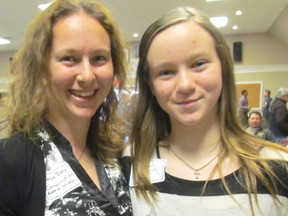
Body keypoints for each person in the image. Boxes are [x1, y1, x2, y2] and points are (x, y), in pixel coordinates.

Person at [121, 6, 288, 216]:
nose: (185, 85)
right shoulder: (131, 162)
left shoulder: (277, 166)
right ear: (150, 85)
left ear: (223, 68)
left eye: (198, 64)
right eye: (166, 72)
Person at [0, 0, 132, 215]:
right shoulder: (10, 162)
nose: (87, 76)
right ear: (41, 69)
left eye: (99, 58)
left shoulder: (116, 156)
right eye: (69, 59)